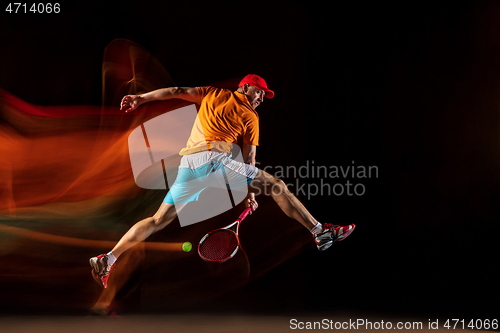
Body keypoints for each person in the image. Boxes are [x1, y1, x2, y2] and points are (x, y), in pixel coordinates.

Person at [89, 74, 355, 288]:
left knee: (158, 220)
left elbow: (175, 90)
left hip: (189, 167)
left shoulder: (212, 93)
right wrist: (251, 193)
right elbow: (249, 159)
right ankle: (320, 231)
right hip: (213, 162)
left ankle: (108, 258)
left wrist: (139, 98)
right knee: (276, 186)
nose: (262, 98)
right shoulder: (250, 116)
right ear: (247, 87)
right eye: (261, 92)